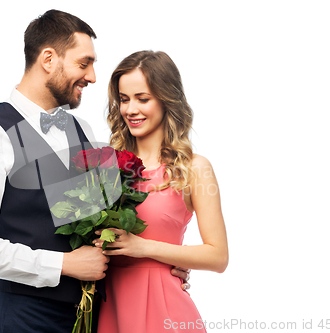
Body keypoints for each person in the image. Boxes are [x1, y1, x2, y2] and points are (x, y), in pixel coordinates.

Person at [0, 10, 189, 332]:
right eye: (84, 63)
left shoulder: (84, 130)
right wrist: (63, 265)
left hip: (92, 314)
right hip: (26, 317)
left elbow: (99, 227)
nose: (92, 77)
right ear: (48, 59)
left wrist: (159, 266)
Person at [93, 50, 229, 332]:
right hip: (107, 307)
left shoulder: (194, 168)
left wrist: (145, 248)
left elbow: (218, 257)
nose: (131, 109)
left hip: (165, 311)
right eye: (124, 99)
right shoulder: (104, 164)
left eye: (143, 99)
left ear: (167, 100)